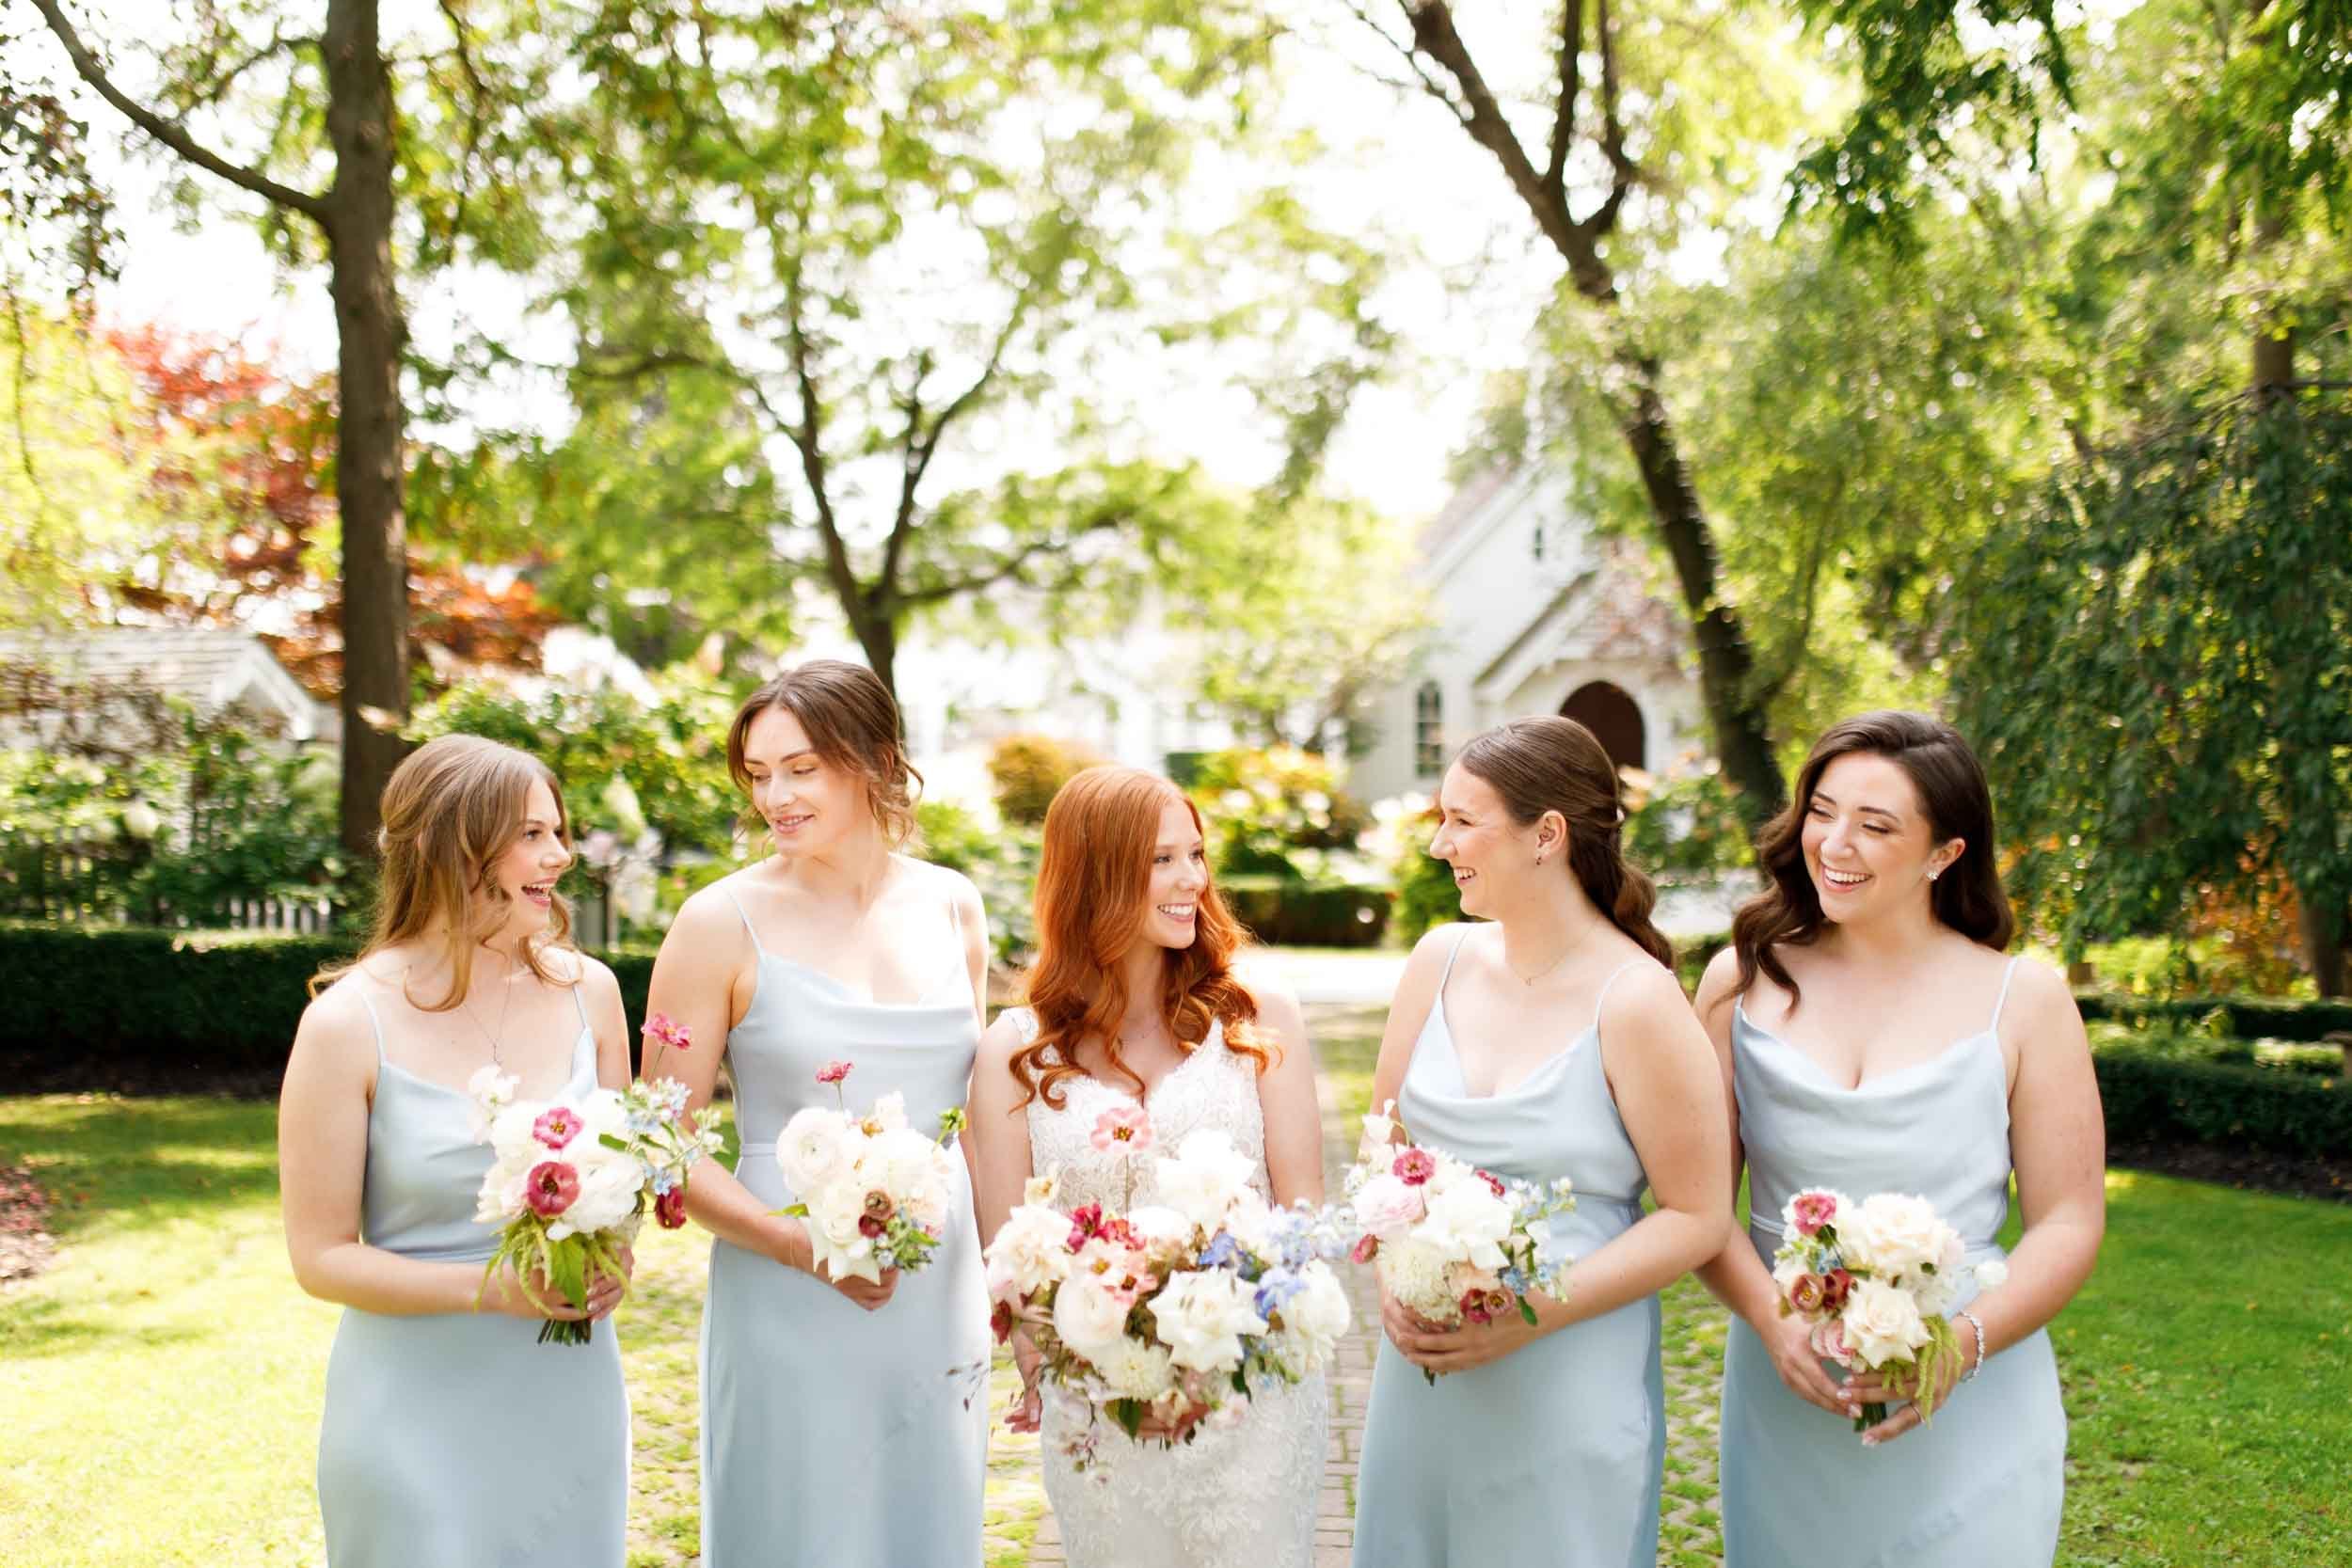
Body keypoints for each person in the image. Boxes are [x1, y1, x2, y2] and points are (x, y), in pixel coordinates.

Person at [1693, 710, 2104, 1567]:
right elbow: (1696, 1203)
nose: (1834, 843)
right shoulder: (1743, 977)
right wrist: (1774, 1323)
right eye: (1823, 809)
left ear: (1944, 854)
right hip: (1789, 1391)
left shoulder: (2023, 1001)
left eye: (1876, 825)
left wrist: (1965, 1342)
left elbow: (2068, 1218)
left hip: (1970, 1393)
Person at [1352, 717, 1731, 1568]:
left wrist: (1527, 1312)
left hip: (1567, 1370)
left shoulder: (1636, 999)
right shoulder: (1438, 959)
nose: (1440, 843)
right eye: (1439, 820)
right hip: (1424, 1375)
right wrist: (1392, 1272)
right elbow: (1386, 1150)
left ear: (1547, 834)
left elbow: (1698, 1214)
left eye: (1462, 820)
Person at [643, 660, 990, 1567]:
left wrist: (1009, 1287)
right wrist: (798, 1243)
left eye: (800, 768)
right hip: (784, 1279)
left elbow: (979, 1117)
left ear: (875, 760)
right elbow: (660, 1139)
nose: (774, 796)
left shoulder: (955, 904)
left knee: (927, 1521)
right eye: (758, 774)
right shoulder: (718, 921)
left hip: (934, 1285)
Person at [281, 734, 634, 1567]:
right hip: (411, 1407)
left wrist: (615, 1250)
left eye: (558, 830)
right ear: (451, 846)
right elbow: (319, 1255)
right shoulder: (345, 1023)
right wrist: (494, 1288)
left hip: (568, 1397)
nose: (560, 854)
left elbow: (623, 1172)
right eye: (531, 834)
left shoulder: (595, 994)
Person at [967, 765, 1326, 1567]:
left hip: (1251, 1393)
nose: (1192, 879)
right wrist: (1072, 1370)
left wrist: (1220, 1352)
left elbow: (1300, 1213)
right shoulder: (1017, 1052)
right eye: (1162, 859)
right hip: (1099, 1404)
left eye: (1196, 855)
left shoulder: (1259, 1018)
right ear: (1095, 875)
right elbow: (1012, 1255)